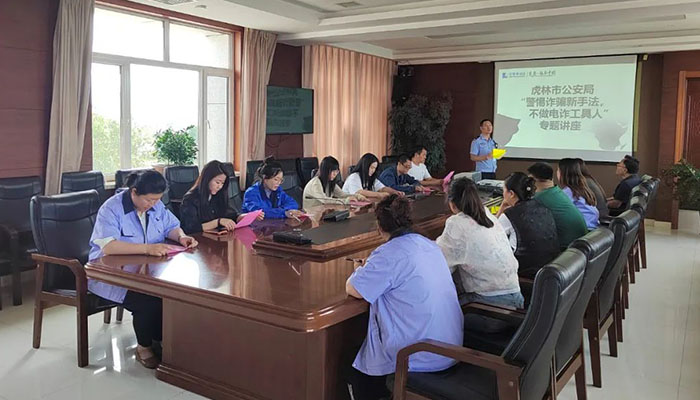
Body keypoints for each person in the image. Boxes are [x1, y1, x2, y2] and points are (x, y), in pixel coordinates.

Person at [346, 195, 463, 400]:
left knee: (355, 368)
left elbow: (354, 289)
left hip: (420, 356)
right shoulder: (429, 245)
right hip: (450, 349)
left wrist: (359, 269)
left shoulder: (389, 253)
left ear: (380, 227)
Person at [89, 170, 198, 369]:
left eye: (157, 200)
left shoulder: (156, 206)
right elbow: (109, 247)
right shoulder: (111, 209)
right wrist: (147, 249)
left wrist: (181, 237)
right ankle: (144, 347)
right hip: (111, 275)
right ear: (134, 192)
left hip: (148, 271)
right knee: (147, 301)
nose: (153, 204)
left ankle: (162, 340)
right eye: (149, 200)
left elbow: (171, 226)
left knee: (173, 295)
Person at [436, 177, 523, 332]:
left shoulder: (456, 223)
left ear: (452, 204)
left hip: (489, 311)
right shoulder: (489, 216)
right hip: (517, 303)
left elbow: (439, 267)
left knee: (434, 312)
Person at [496, 172, 559, 279]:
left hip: (525, 272)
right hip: (549, 266)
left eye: (504, 191)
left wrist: (501, 209)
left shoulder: (509, 215)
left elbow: (491, 234)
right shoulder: (543, 207)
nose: (503, 194)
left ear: (511, 194)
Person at [180, 160, 264, 234]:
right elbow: (190, 228)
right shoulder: (190, 199)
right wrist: (218, 222)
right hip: (197, 242)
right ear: (207, 179)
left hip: (215, 240)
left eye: (222, 183)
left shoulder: (218, 195)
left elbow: (231, 215)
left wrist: (247, 216)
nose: (220, 187)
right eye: (217, 182)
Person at [527, 162, 588, 249]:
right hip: (579, 248)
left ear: (531, 180)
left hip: (566, 249)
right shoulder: (558, 191)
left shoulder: (538, 200)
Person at [558, 158, 600, 229]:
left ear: (562, 173)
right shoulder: (582, 189)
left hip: (584, 230)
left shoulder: (568, 192)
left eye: (558, 170)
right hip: (594, 229)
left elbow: (557, 211)